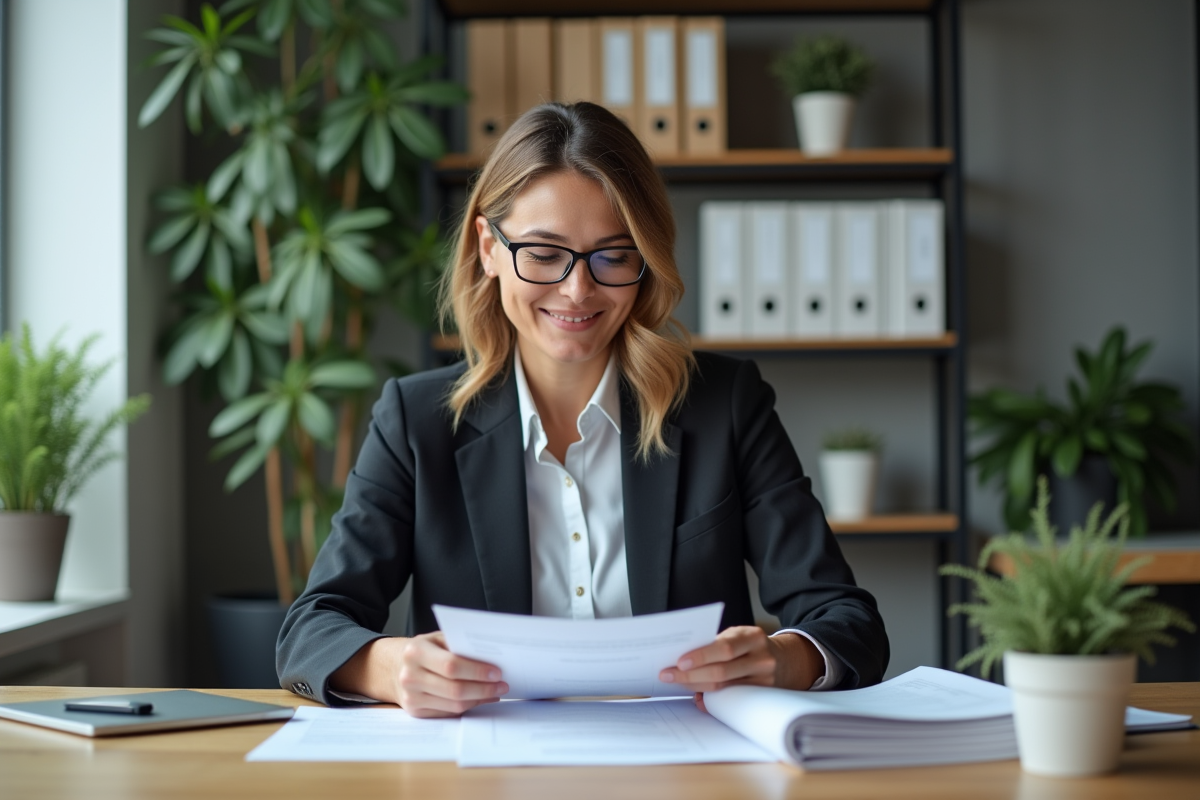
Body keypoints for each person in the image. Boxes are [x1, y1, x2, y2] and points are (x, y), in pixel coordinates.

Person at [277, 101, 888, 718]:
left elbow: (846, 619)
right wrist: (392, 667)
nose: (578, 289)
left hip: (687, 768)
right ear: (488, 247)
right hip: (485, 770)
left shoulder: (724, 404)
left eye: (614, 256)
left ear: (646, 261)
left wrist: (782, 659)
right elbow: (311, 630)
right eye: (543, 254)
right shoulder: (416, 421)